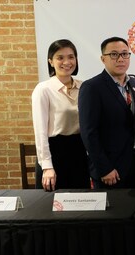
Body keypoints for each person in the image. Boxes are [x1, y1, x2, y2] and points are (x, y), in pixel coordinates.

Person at [78, 37, 135, 188]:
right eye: (114, 54)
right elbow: (89, 133)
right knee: (114, 211)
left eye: (125, 54)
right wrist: (104, 168)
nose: (120, 59)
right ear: (103, 59)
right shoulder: (92, 87)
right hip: (111, 170)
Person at [31, 39, 90, 191]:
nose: (67, 62)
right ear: (51, 61)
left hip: (79, 152)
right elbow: (40, 132)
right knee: (51, 207)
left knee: (81, 205)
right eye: (60, 57)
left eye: (71, 57)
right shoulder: (44, 89)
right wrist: (47, 166)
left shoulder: (84, 87)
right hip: (55, 153)